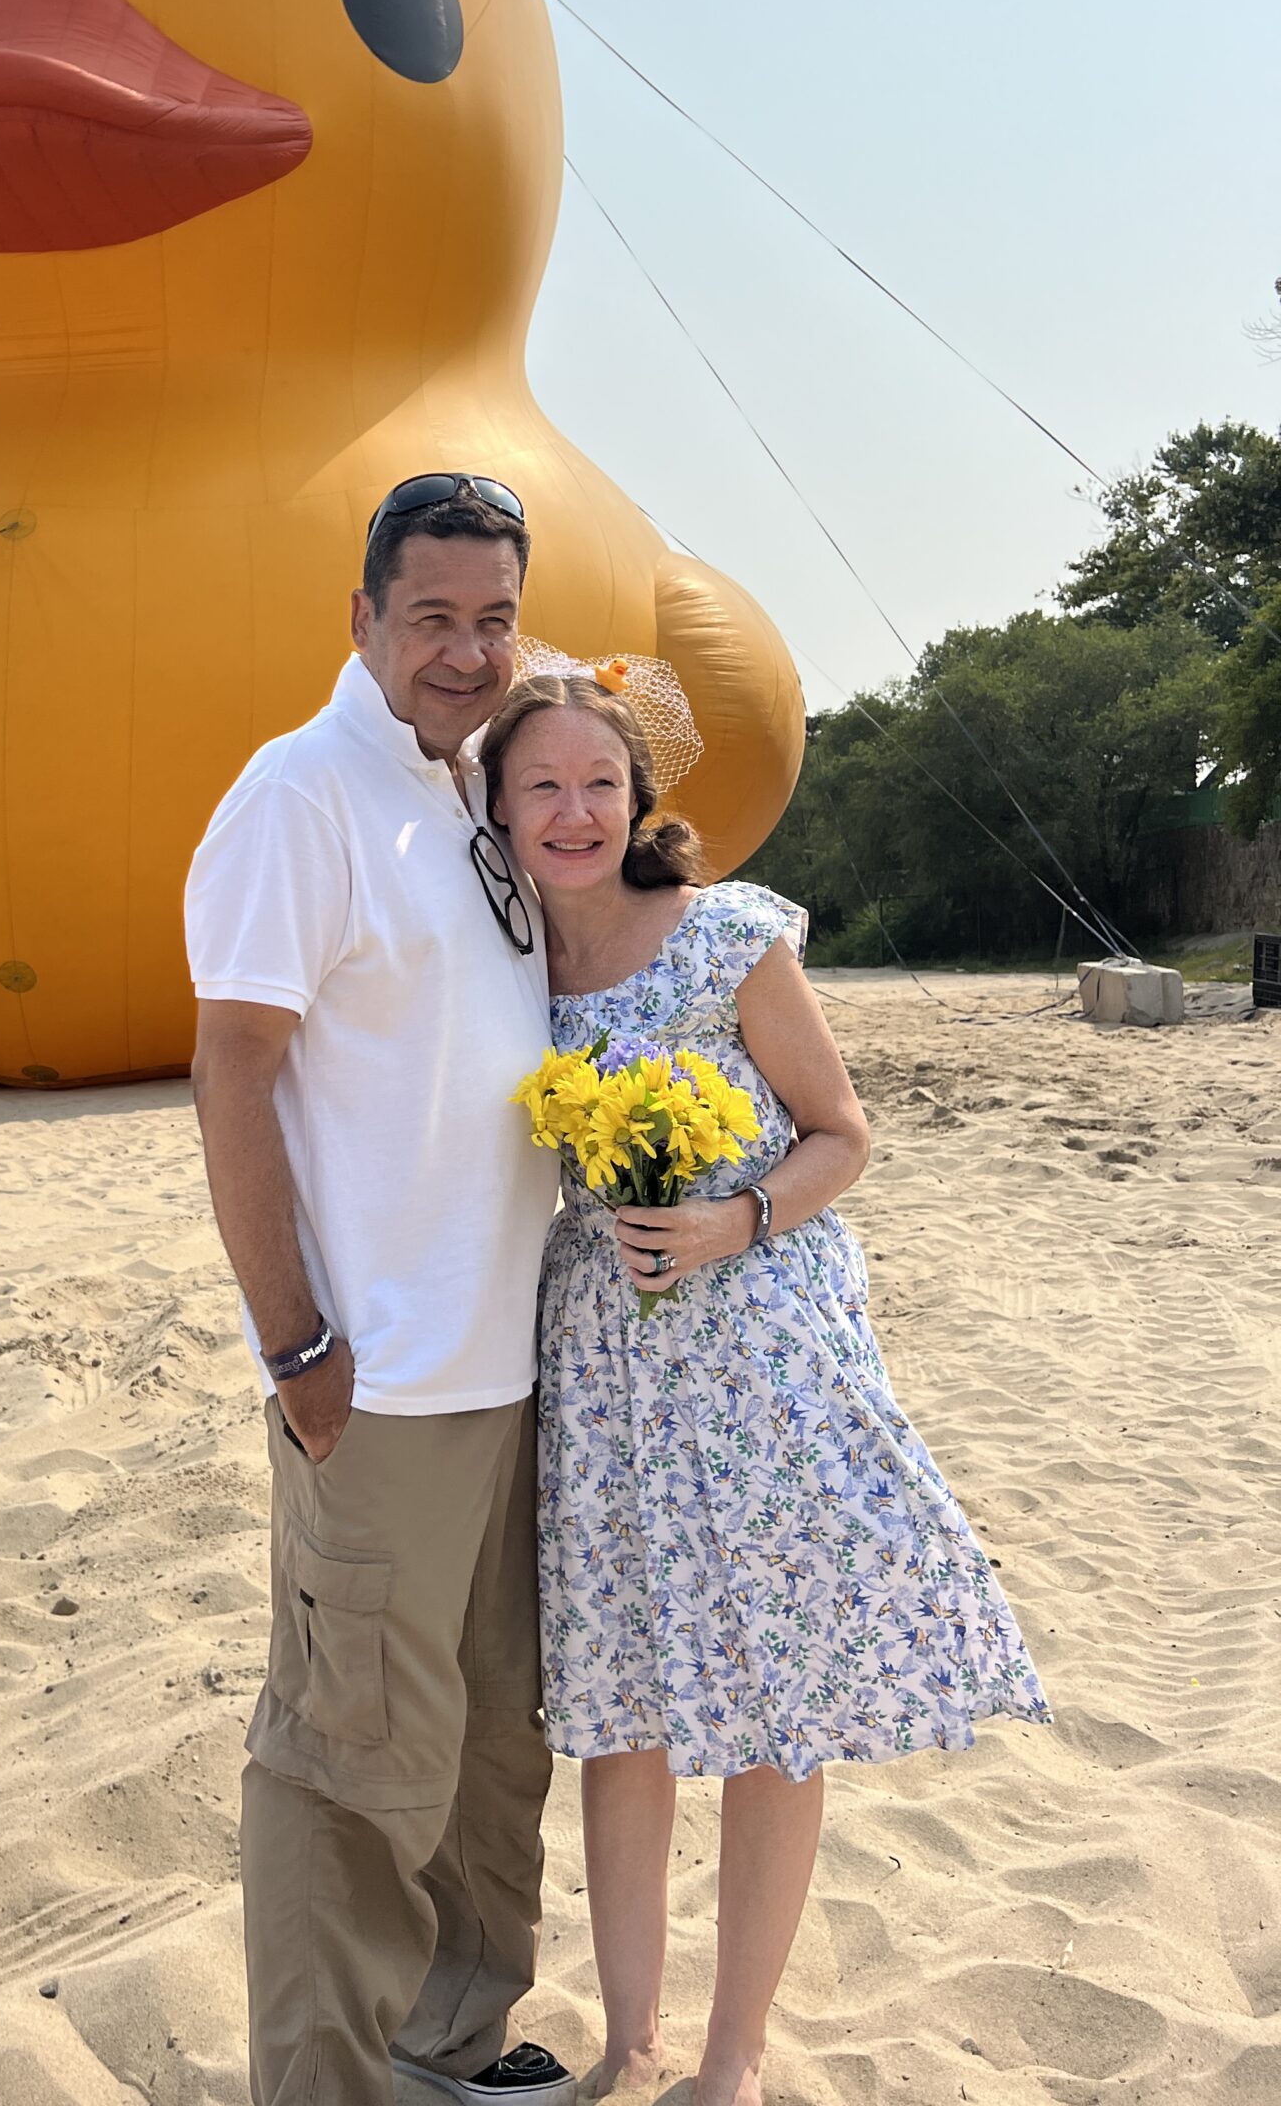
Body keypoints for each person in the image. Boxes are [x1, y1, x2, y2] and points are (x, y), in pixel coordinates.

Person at [480, 669, 1051, 2106]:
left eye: (598, 785)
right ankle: (630, 2041)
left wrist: (734, 1221)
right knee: (622, 1707)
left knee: (771, 1690)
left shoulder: (728, 935)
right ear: (495, 805)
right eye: (540, 785)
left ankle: (731, 2055)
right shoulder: (497, 969)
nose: (573, 812)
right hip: (603, 1365)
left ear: (639, 798)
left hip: (758, 1353)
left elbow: (841, 1132)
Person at [185, 473, 577, 2106]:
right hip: (382, 1385)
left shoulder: (465, 791)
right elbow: (232, 1073)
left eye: (495, 620)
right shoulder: (302, 796)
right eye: (433, 617)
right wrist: (300, 1346)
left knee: (498, 1741)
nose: (469, 652)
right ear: (362, 619)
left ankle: (452, 2041)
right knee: (348, 1771)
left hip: (510, 1372)